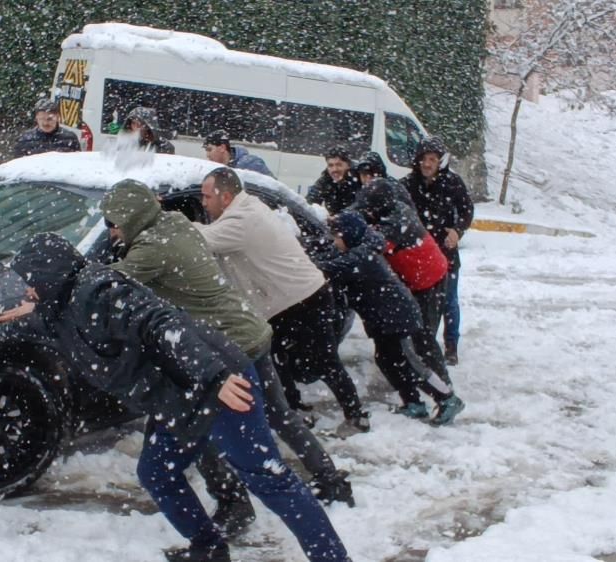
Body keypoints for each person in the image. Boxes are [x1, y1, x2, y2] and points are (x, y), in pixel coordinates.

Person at [0, 233, 351, 562]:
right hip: (175, 396)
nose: (28, 289)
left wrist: (212, 377)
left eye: (31, 280)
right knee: (158, 472)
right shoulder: (60, 306)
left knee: (267, 478)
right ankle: (209, 548)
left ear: (51, 275)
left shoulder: (102, 293)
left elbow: (164, 324)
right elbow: (34, 325)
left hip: (218, 382)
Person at [99, 180, 353, 537]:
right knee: (278, 416)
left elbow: (106, 286)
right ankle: (329, 478)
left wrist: (66, 276)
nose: (112, 230)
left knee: (201, 427)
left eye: (114, 222)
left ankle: (235, 503)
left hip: (228, 347)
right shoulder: (173, 222)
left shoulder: (153, 247)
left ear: (132, 216)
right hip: (247, 332)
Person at [194, 167, 370, 438]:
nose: (203, 203)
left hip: (306, 296)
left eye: (206, 197)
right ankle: (296, 409)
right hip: (281, 302)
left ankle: (356, 415)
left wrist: (162, 219)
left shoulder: (243, 219)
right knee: (276, 358)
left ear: (226, 197)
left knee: (324, 361)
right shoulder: (243, 208)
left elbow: (201, 239)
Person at [317, 211, 465, 426]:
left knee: (410, 362)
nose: (334, 241)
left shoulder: (359, 257)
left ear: (348, 235)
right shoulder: (356, 250)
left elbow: (326, 267)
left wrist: (298, 260)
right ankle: (413, 402)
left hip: (398, 317)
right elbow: (328, 258)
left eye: (337, 237)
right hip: (383, 319)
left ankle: (448, 398)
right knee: (386, 360)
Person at [350, 176, 450, 361]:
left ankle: (437, 378)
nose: (367, 213)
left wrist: (346, 234)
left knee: (423, 334)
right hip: (412, 279)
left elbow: (374, 245)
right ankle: (414, 364)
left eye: (370, 210)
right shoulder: (382, 207)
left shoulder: (398, 219)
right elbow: (356, 212)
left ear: (380, 206)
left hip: (429, 279)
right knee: (412, 329)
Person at [401, 137, 474, 365]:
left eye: (432, 159)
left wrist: (457, 230)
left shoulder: (452, 183)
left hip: (446, 254)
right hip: (417, 255)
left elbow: (466, 210)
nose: (427, 163)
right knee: (418, 302)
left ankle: (451, 346)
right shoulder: (407, 184)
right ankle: (423, 343)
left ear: (440, 162)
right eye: (424, 158)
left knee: (448, 301)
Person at [13, 98, 81, 157]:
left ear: (57, 117)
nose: (45, 123)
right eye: (42, 119)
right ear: (36, 118)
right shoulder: (25, 140)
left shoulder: (70, 138)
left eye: (50, 119)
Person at [306, 146, 362, 215]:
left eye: (339, 165)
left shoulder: (360, 177)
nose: (334, 169)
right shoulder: (325, 179)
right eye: (330, 165)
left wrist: (341, 217)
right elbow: (310, 202)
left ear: (348, 165)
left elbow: (362, 204)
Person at [202, 129, 275, 178]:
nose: (207, 155)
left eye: (209, 149)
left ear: (222, 148)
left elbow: (273, 189)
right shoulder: (219, 169)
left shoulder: (249, 163)